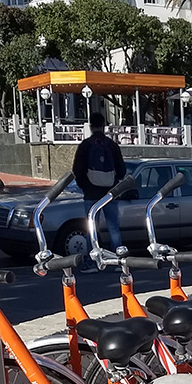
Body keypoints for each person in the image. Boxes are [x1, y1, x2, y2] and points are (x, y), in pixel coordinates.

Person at [71, 112, 126, 269]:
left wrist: (85, 186)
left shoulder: (85, 146)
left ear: (90, 126)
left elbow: (77, 170)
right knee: (113, 228)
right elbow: (121, 170)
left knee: (91, 229)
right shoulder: (112, 146)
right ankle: (118, 262)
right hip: (110, 194)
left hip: (90, 194)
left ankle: (92, 263)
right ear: (104, 126)